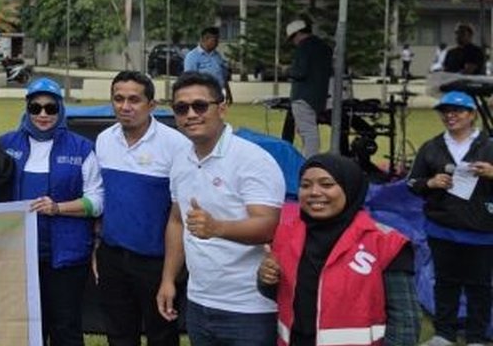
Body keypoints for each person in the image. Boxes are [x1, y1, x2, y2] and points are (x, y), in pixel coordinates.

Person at [156, 71, 284, 346]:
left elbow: (269, 226)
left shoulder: (252, 159)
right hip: (199, 301)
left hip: (249, 307)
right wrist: (168, 279)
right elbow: (177, 221)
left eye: (200, 106)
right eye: (181, 108)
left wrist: (217, 228)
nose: (190, 114)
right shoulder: (181, 160)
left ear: (222, 108)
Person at [258, 153, 417, 346]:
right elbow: (281, 295)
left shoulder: (385, 243)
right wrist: (266, 279)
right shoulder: (285, 234)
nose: (314, 192)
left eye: (326, 184)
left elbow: (404, 324)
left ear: (349, 187)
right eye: (305, 185)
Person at [0, 77, 102, 346]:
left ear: (60, 108)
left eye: (50, 107)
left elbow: (97, 201)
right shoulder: (6, 144)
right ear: (27, 108)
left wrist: (58, 208)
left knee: (65, 326)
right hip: (19, 255)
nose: (43, 114)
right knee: (27, 327)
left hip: (66, 257)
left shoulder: (82, 148)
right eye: (36, 108)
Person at [94, 70, 187, 346]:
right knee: (119, 334)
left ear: (151, 105)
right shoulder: (104, 140)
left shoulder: (176, 145)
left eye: (134, 100)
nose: (125, 106)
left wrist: (170, 274)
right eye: (118, 99)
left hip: (156, 262)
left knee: (162, 335)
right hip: (112, 257)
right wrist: (97, 247)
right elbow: (102, 200)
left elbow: (179, 216)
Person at [405, 89, 493, 346]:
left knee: (480, 286)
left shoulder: (489, 146)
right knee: (445, 283)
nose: (450, 115)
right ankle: (444, 334)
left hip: (482, 230)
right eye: (445, 111)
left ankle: (476, 337)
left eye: (457, 111)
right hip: (441, 228)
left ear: (472, 115)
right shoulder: (431, 147)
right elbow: (412, 182)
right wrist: (430, 182)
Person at [286, 18, 333, 157]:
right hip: (318, 97)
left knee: (308, 133)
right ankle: (308, 158)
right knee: (309, 131)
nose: (294, 43)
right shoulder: (325, 47)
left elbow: (300, 72)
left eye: (293, 38)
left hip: (302, 96)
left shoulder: (304, 47)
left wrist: (288, 70)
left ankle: (309, 163)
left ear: (298, 34)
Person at [183, 26, 233, 105]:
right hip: (203, 96)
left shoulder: (217, 56)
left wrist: (228, 92)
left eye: (218, 40)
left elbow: (222, 76)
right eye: (215, 40)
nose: (217, 43)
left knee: (218, 117)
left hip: (219, 94)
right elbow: (189, 79)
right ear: (205, 39)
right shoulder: (192, 56)